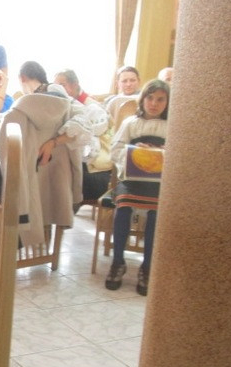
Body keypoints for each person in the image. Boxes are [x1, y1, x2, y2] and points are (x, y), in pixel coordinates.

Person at [105, 79, 170, 296]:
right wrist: (134, 152)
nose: (154, 103)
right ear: (143, 99)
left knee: (156, 214)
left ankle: (147, 267)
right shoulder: (131, 123)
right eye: (150, 98)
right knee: (123, 208)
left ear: (168, 102)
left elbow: (181, 154)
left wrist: (164, 152)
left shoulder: (172, 126)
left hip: (159, 183)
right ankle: (118, 262)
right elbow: (116, 150)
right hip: (131, 180)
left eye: (160, 99)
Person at [54, 69, 112, 204]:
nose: (58, 89)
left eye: (62, 85)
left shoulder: (92, 107)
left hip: (93, 165)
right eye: (55, 86)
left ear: (74, 85)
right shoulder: (62, 103)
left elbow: (95, 131)